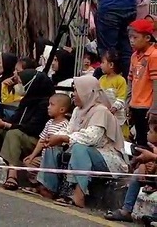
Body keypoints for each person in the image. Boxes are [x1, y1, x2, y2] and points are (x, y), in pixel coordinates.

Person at [35, 75, 127, 208]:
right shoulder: (78, 110)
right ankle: (49, 187)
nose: (73, 95)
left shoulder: (101, 111)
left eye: (76, 91)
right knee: (53, 145)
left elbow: (92, 138)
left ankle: (79, 195)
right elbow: (69, 130)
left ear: (87, 92)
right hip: (86, 152)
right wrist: (54, 137)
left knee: (79, 147)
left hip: (107, 157)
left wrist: (63, 138)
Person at [128, 18, 157, 146]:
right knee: (139, 140)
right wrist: (128, 102)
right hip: (135, 105)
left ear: (147, 38)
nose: (131, 41)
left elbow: (156, 84)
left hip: (147, 107)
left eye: (135, 37)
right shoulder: (134, 56)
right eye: (130, 37)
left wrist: (154, 108)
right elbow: (130, 80)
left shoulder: (154, 55)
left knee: (148, 142)